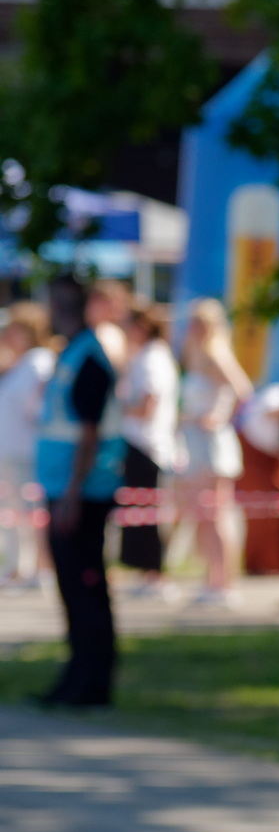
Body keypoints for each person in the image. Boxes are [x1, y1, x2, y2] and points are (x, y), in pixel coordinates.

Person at [33, 274, 126, 707]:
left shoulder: (88, 356)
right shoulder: (73, 352)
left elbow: (89, 433)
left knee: (85, 586)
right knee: (73, 587)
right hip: (67, 488)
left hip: (83, 493)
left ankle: (92, 681)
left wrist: (72, 493)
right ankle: (77, 677)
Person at [177, 299, 252, 606]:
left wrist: (220, 415)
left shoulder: (216, 354)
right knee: (204, 515)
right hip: (195, 441)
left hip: (212, 444)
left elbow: (242, 390)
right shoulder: (195, 355)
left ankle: (225, 582)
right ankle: (212, 578)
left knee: (216, 513)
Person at [117, 304, 179, 599]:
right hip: (142, 442)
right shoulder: (147, 355)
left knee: (147, 514)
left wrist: (121, 409)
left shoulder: (152, 358)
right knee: (140, 513)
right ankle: (147, 572)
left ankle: (155, 574)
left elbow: (148, 402)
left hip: (146, 444)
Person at [0, 303, 55, 590]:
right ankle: (17, 568)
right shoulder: (20, 363)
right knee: (14, 514)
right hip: (12, 451)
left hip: (28, 451)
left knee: (32, 514)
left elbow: (41, 407)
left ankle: (41, 570)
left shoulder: (38, 361)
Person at [235, 382, 279, 576]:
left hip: (275, 462)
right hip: (257, 461)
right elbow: (272, 412)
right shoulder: (278, 397)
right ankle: (261, 563)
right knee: (261, 517)